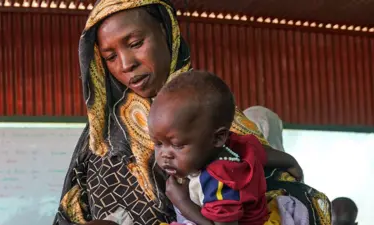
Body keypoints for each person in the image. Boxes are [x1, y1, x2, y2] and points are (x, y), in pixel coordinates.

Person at [53, 0, 329, 224]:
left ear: (165, 31)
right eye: (110, 57)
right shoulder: (98, 139)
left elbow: (283, 196)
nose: (126, 64)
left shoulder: (213, 115)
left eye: (136, 43)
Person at [149, 71, 270, 225]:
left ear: (218, 138)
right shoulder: (233, 145)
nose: (165, 155)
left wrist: (183, 203)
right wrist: (291, 162)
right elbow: (264, 153)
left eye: (177, 145)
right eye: (158, 144)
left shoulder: (219, 181)